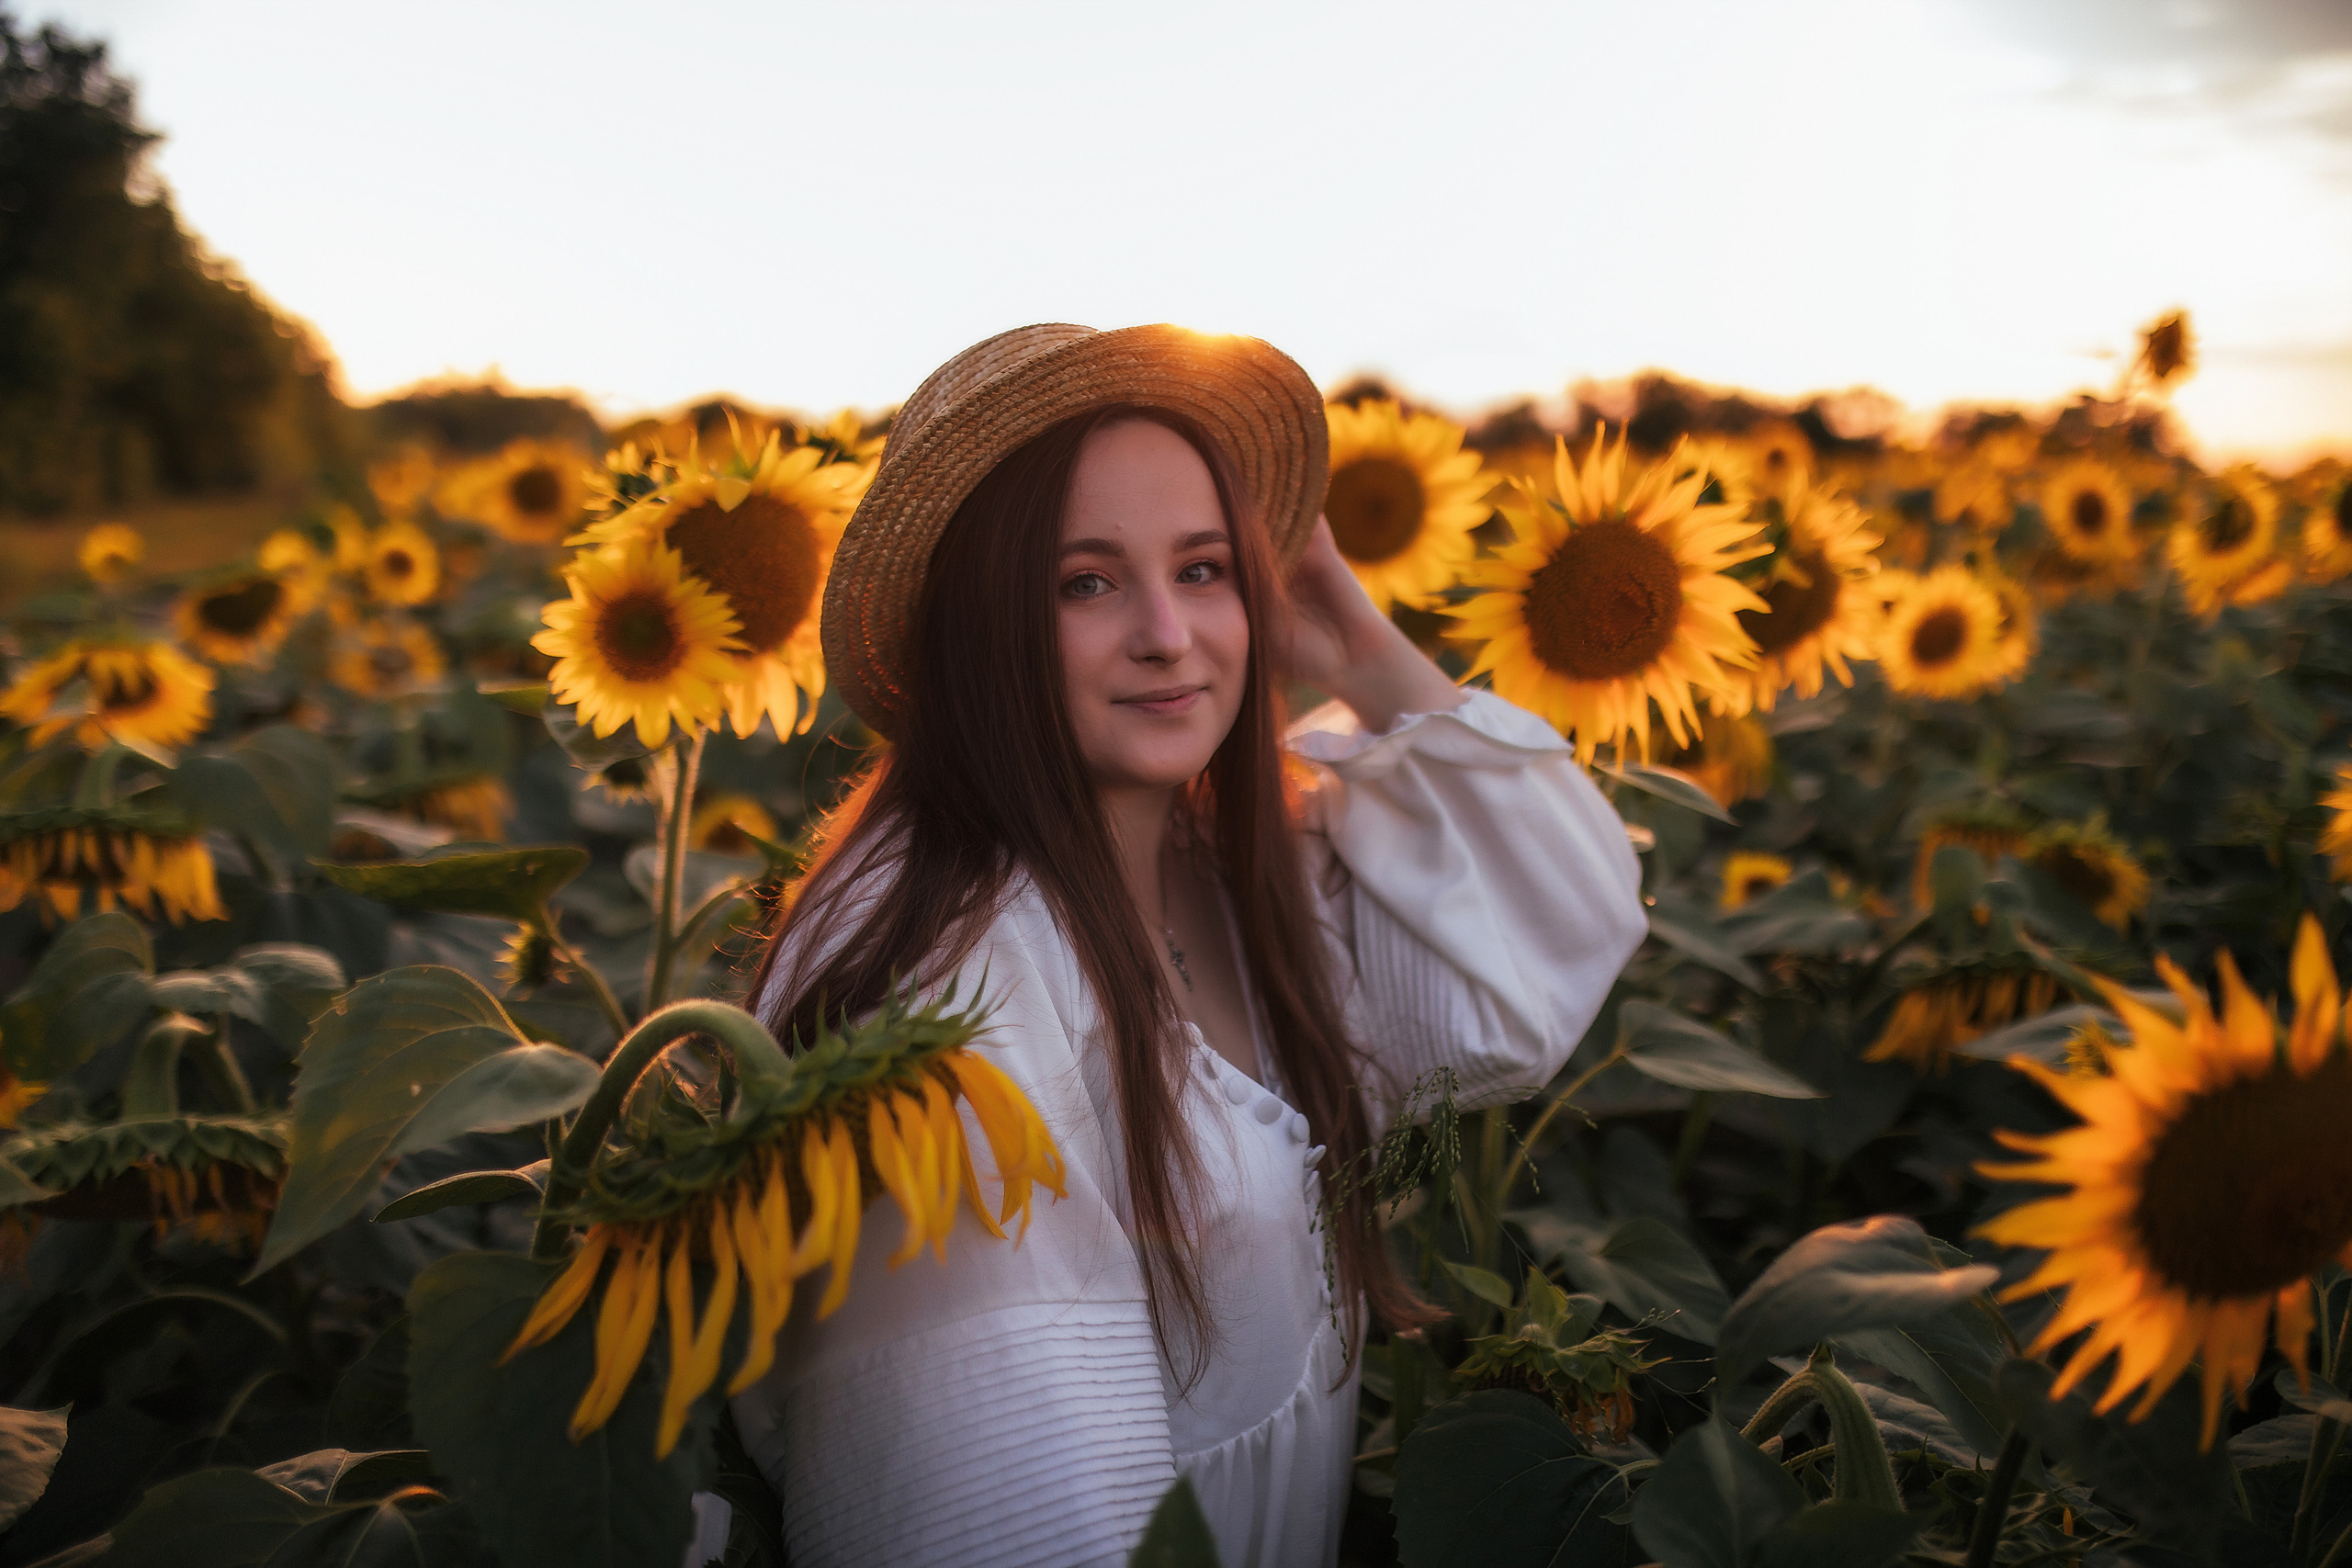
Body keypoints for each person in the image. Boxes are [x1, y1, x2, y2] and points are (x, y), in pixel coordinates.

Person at [730, 323, 1645, 1567]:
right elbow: (991, 1498)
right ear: (980, 625)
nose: (1169, 634)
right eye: (1087, 582)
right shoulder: (947, 971)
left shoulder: (1229, 867)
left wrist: (1356, 648)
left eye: (1206, 570)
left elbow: (1551, 949)